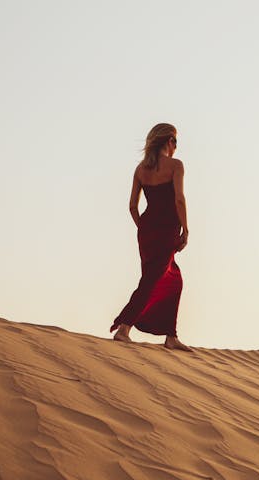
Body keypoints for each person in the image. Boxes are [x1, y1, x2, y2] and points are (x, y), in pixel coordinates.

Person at [110, 123, 193, 352]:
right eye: (175, 141)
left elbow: (132, 206)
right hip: (167, 230)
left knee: (172, 279)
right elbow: (179, 199)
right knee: (151, 280)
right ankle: (124, 328)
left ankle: (170, 336)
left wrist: (143, 228)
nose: (176, 147)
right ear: (169, 141)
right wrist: (185, 229)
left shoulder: (140, 170)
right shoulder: (176, 165)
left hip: (147, 230)